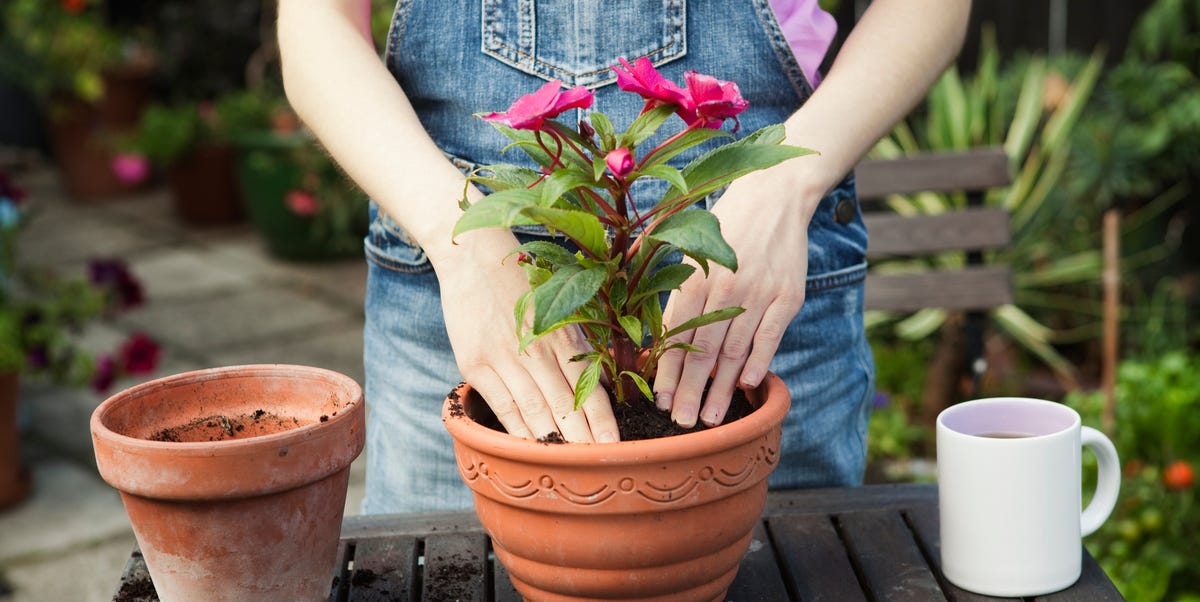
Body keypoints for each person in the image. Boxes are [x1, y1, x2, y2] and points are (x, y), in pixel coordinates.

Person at [277, 0, 971, 513]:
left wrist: (788, 178)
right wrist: (458, 234)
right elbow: (315, 25)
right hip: (465, 307)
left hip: (747, 297)